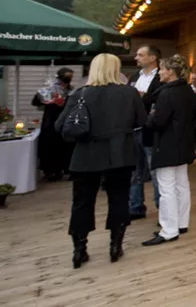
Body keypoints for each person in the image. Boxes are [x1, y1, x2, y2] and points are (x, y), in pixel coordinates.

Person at [55, 54, 146, 268]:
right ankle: (115, 246)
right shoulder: (129, 93)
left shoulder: (80, 94)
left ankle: (79, 250)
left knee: (82, 203)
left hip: (85, 155)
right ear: (117, 69)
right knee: (119, 199)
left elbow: (60, 126)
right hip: (120, 154)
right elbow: (141, 121)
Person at [142, 55, 196, 246]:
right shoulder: (188, 91)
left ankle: (168, 230)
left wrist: (150, 117)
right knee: (181, 184)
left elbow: (158, 122)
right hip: (184, 143)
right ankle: (181, 223)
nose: (159, 72)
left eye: (162, 69)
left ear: (170, 71)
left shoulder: (166, 94)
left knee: (166, 188)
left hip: (166, 144)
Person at [127, 45, 162, 220]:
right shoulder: (134, 77)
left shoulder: (162, 78)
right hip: (133, 129)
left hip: (151, 131)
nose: (136, 58)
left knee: (155, 171)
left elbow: (161, 100)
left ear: (152, 58)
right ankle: (135, 206)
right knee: (134, 170)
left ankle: (162, 209)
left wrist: (142, 97)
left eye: (140, 55)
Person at [34, 67, 74, 181]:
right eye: (67, 76)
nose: (69, 79)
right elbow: (36, 102)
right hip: (51, 121)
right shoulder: (50, 88)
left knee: (66, 146)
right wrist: (43, 96)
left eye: (71, 77)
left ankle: (66, 169)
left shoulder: (71, 90)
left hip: (66, 121)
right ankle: (51, 171)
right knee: (50, 146)